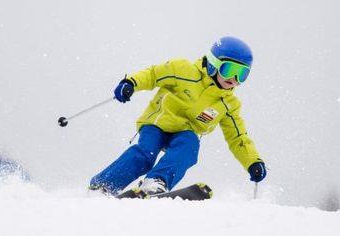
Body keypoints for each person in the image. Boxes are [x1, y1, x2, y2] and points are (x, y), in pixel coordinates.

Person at [89, 36, 267, 196]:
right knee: (145, 154)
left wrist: (252, 162)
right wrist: (131, 83)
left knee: (189, 147)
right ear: (214, 63)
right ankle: (105, 185)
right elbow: (153, 75)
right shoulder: (183, 70)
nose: (234, 78)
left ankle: (157, 182)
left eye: (242, 74)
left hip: (185, 133)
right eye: (229, 69)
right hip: (158, 124)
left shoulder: (228, 104)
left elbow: (238, 137)